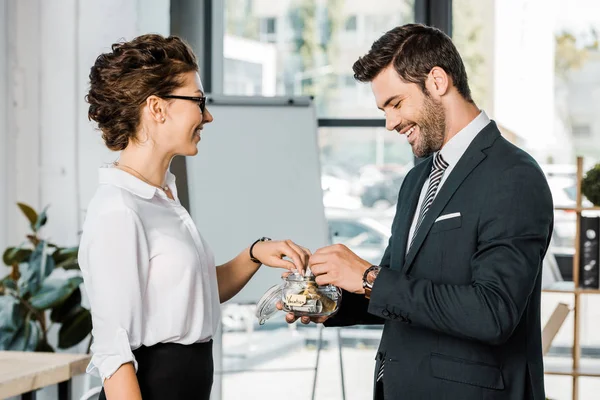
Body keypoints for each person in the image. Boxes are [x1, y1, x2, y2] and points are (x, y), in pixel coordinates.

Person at [282, 24, 554, 399]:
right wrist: (327, 303)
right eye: (384, 110)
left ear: (437, 82)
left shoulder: (514, 175)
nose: (390, 123)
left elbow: (494, 312)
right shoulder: (417, 180)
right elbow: (397, 290)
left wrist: (367, 276)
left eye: (395, 104)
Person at [80, 34, 310, 400]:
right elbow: (114, 353)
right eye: (198, 101)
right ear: (157, 109)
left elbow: (195, 293)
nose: (208, 115)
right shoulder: (118, 210)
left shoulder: (163, 196)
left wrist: (253, 254)